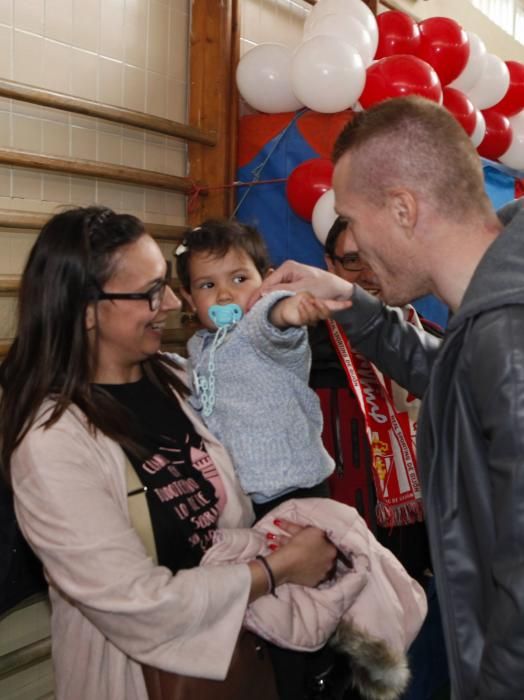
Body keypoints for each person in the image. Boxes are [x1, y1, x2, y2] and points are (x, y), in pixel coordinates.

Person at [0, 206, 338, 700]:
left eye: (167, 285)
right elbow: (135, 603)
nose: (173, 304)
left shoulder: (184, 380)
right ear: (87, 309)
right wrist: (276, 571)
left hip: (246, 662)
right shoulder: (53, 443)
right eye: (150, 292)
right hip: (144, 681)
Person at [253, 95, 524, 699]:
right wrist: (347, 300)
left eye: (351, 217)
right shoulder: (490, 313)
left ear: (402, 208)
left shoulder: (508, 331)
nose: (351, 241)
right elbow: (448, 376)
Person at [309, 216, 448, 699]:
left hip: (428, 555)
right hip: (341, 561)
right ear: (330, 266)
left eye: (378, 257)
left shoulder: (435, 342)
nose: (367, 271)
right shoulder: (305, 345)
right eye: (352, 259)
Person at [174, 220, 349, 519]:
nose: (225, 295)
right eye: (207, 285)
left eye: (239, 279)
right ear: (189, 298)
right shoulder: (199, 344)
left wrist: (286, 310)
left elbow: (271, 323)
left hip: (293, 486)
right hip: (239, 493)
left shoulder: (258, 330)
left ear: (268, 281)